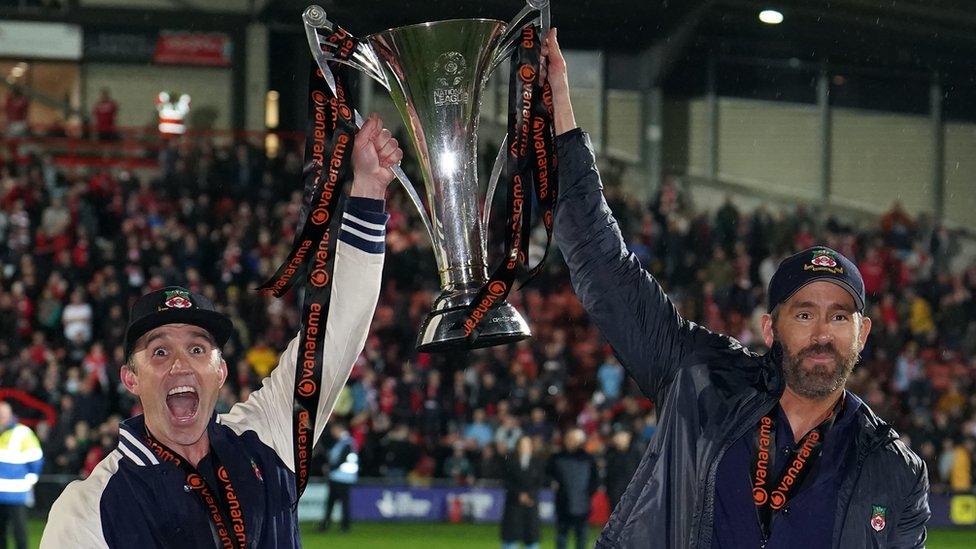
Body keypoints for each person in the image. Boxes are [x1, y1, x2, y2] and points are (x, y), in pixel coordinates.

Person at [543, 28, 929, 548]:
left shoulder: (896, 473)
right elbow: (602, 262)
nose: (822, 332)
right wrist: (560, 110)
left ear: (862, 333)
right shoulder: (700, 381)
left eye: (839, 316)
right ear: (769, 327)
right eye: (803, 313)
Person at [40, 114, 404, 548]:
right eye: (159, 352)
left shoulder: (266, 436)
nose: (180, 363)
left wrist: (369, 189)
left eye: (198, 349)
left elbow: (337, 333)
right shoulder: (88, 508)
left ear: (221, 372)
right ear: (129, 378)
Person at [0, 402, 43, 549]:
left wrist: (30, 480)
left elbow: (36, 458)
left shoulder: (22, 433)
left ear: (10, 415)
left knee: (19, 532)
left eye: (3, 414)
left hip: (16, 493)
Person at [547, 428, 598, 549]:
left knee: (581, 536)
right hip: (563, 502)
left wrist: (587, 494)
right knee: (562, 535)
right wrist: (551, 482)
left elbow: (595, 480)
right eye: (569, 438)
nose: (571, 441)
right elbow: (547, 475)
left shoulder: (588, 458)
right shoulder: (557, 457)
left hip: (582, 502)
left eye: (575, 439)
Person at [501, 435, 545, 549]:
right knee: (510, 539)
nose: (524, 447)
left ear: (531, 447)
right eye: (522, 445)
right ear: (517, 447)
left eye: (527, 445)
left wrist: (529, 496)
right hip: (513, 506)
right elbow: (506, 482)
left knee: (532, 539)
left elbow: (539, 483)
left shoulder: (538, 463)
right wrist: (519, 495)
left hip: (531, 505)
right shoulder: (510, 462)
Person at [319, 421, 358, 532]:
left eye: (334, 430)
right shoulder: (343, 442)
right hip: (338, 477)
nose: (332, 433)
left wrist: (330, 468)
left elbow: (342, 459)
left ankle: (343, 526)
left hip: (343, 478)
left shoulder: (346, 443)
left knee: (340, 503)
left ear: (340, 429)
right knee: (332, 503)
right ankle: (328, 525)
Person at [603, 430, 641, 512]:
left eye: (622, 436)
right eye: (617, 436)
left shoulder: (636, 453)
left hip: (633, 495)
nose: (619, 439)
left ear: (629, 437)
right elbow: (608, 477)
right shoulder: (610, 453)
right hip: (615, 495)